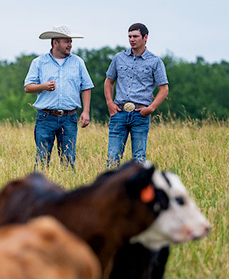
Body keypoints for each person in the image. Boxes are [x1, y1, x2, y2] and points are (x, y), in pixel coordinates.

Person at [24, 25, 94, 169]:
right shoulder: (39, 62)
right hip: (45, 118)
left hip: (69, 117)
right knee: (42, 160)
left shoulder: (78, 62)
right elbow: (28, 87)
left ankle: (68, 188)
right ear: (55, 43)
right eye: (66, 41)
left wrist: (86, 111)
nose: (70, 45)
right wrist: (43, 86)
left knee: (68, 161)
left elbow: (86, 87)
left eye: (71, 41)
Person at [104, 22, 169, 168]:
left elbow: (164, 89)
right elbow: (109, 81)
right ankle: (112, 189)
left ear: (145, 37)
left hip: (141, 114)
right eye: (129, 36)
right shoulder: (119, 58)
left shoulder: (155, 61)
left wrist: (151, 108)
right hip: (119, 113)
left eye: (135, 36)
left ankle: (138, 190)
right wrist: (109, 102)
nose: (132, 39)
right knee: (113, 157)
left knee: (139, 158)